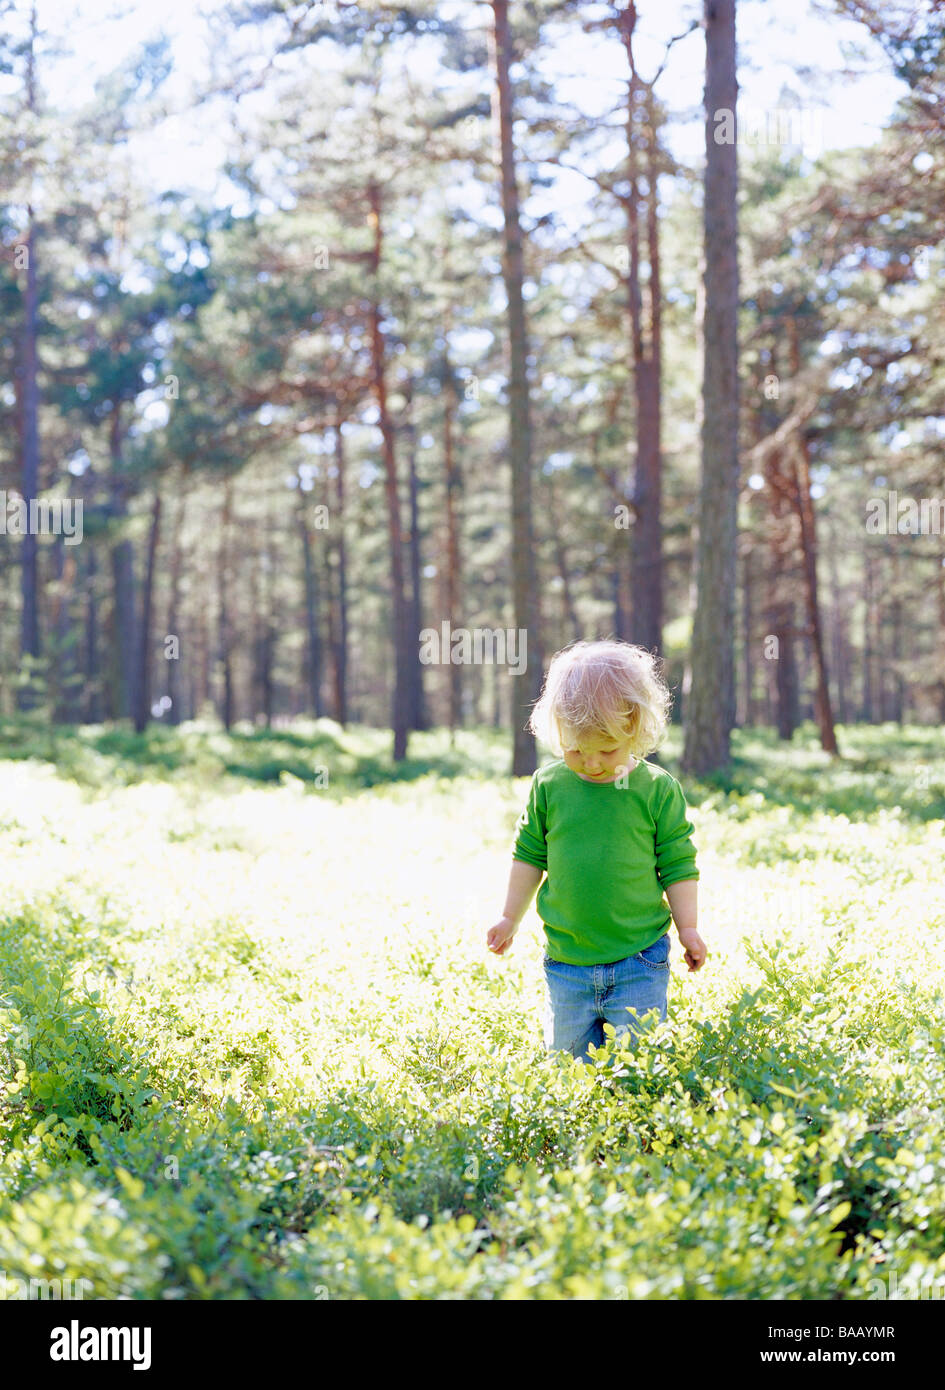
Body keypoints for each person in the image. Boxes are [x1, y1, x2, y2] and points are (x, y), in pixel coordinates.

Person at [486, 638, 706, 1063]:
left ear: (637, 729)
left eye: (607, 750)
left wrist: (689, 928)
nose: (591, 764)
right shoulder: (550, 786)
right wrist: (509, 917)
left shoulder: (656, 790)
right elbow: (530, 854)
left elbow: (678, 864)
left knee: (639, 1067)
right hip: (567, 962)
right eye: (575, 750)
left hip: (639, 959)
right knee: (568, 1067)